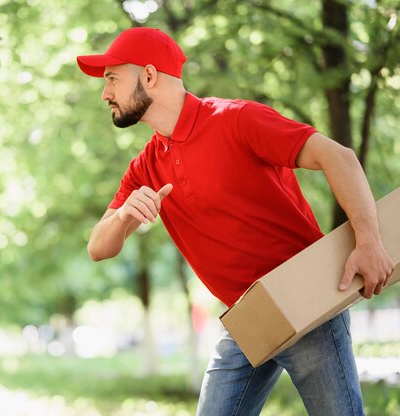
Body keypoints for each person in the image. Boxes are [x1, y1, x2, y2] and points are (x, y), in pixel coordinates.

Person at [76, 27, 394, 415]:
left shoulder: (236, 119)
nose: (104, 93)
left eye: (112, 78)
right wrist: (124, 216)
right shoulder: (146, 166)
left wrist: (370, 243)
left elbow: (338, 156)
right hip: (245, 318)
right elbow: (98, 247)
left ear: (148, 76)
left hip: (306, 302)